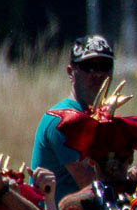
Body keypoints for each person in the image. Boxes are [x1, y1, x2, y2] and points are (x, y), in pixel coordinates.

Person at [30, 35, 114, 200]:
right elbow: (91, 184)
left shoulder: (103, 117)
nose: (97, 74)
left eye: (104, 66)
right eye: (88, 66)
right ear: (71, 72)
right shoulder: (63, 120)